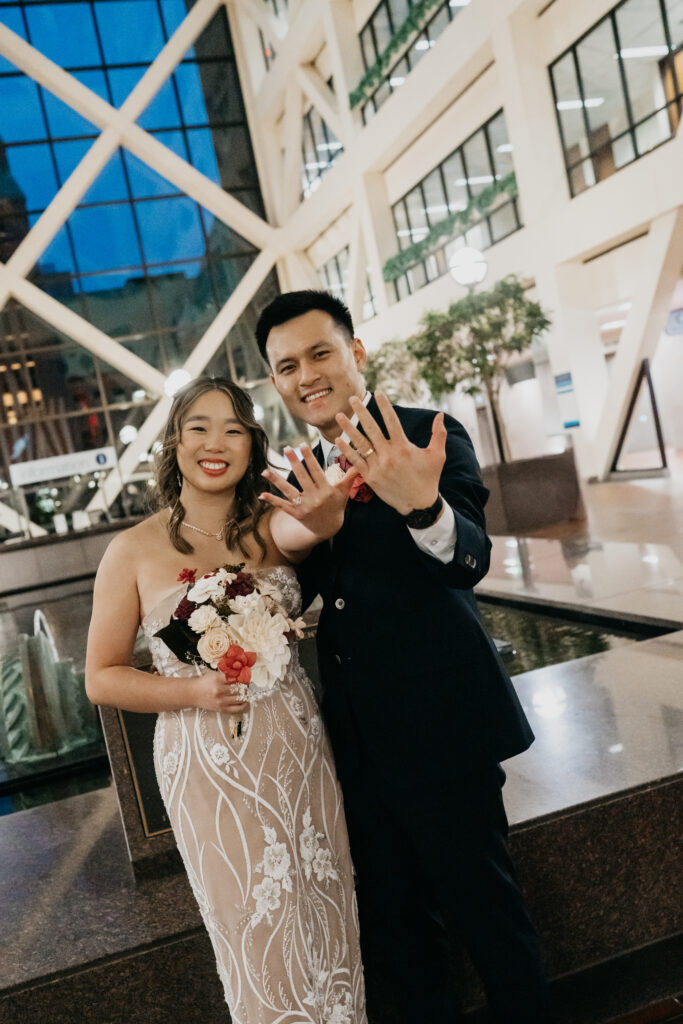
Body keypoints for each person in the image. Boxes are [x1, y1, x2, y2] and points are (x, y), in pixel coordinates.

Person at [256, 290, 551, 1024]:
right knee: (401, 936)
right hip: (353, 748)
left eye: (319, 352)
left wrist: (422, 506)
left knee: (489, 919)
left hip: (443, 731)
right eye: (286, 365)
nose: (305, 374)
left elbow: (469, 560)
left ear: (355, 354)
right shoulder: (298, 476)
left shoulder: (428, 432)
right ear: (275, 383)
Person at [85, 377, 368, 1024]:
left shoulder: (270, 529)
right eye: (199, 428)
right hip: (206, 757)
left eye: (234, 429)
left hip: (294, 743)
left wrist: (329, 512)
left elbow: (311, 524)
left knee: (325, 900)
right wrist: (191, 690)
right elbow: (100, 677)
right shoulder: (130, 549)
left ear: (252, 444)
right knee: (251, 918)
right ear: (175, 441)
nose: (216, 443)